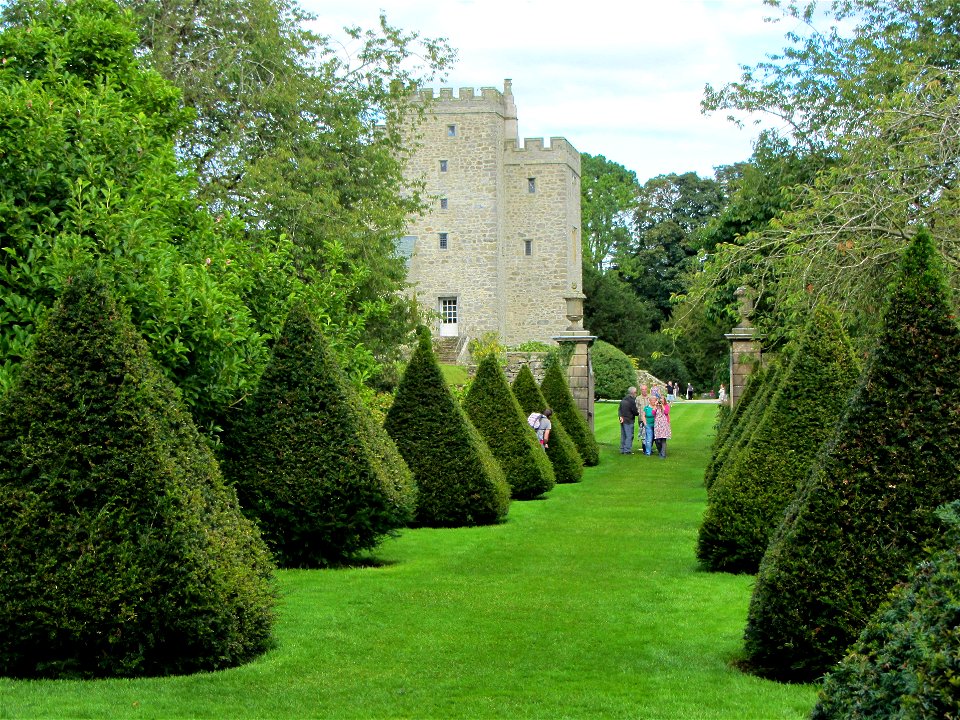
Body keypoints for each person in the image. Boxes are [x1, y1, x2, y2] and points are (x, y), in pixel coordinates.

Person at [618, 386, 639, 454]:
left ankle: (622, 449)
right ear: (633, 393)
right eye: (636, 392)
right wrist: (639, 413)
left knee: (623, 435)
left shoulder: (623, 399)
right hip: (629, 420)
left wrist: (620, 416)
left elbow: (619, 409)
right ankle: (627, 450)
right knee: (629, 435)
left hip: (623, 419)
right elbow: (634, 411)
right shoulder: (632, 401)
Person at [653, 394, 672, 458]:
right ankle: (660, 451)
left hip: (664, 424)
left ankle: (663, 454)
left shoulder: (666, 406)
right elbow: (653, 413)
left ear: (664, 400)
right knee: (657, 440)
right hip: (657, 425)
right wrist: (655, 406)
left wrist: (662, 406)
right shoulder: (657, 406)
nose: (661, 400)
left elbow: (666, 412)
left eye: (662, 399)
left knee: (663, 439)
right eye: (660, 399)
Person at [640, 386, 655, 456]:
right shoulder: (646, 408)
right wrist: (645, 424)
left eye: (654, 400)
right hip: (648, 425)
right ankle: (648, 452)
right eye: (652, 400)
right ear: (650, 401)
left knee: (657, 439)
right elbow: (643, 416)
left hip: (656, 425)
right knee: (649, 439)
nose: (653, 402)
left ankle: (660, 451)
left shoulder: (657, 407)